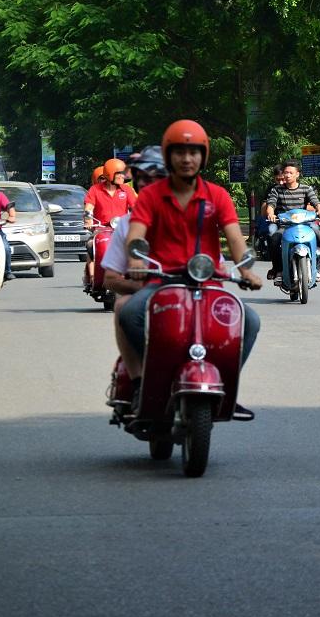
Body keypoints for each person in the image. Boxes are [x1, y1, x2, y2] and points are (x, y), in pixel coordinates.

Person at [120, 120, 262, 410]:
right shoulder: (151, 195)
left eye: (194, 152)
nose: (187, 159)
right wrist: (135, 258)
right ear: (169, 155)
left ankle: (225, 382)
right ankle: (152, 375)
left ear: (203, 156)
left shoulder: (217, 195)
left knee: (250, 321)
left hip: (208, 282)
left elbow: (234, 237)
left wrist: (245, 269)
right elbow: (136, 234)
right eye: (180, 152)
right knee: (130, 313)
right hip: (162, 280)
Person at [101, 146, 168, 381]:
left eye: (156, 178)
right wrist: (142, 287)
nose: (148, 185)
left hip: (190, 293)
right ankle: (138, 378)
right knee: (122, 307)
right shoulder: (128, 224)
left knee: (244, 317)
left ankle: (225, 382)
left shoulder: (192, 216)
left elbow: (215, 263)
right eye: (143, 179)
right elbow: (110, 278)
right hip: (146, 293)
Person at [266, 160, 320, 282]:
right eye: (285, 173)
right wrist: (271, 214)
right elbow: (270, 205)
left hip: (305, 224)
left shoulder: (306, 189)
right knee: (273, 238)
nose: (287, 175)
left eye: (291, 173)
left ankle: (318, 267)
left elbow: (316, 203)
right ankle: (278, 270)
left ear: (297, 174)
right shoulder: (276, 189)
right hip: (285, 225)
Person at [83, 157, 136, 290]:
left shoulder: (126, 190)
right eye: (120, 174)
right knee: (90, 245)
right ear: (110, 174)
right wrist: (88, 219)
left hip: (122, 229)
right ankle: (93, 277)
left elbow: (136, 207)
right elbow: (88, 207)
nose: (123, 177)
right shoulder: (95, 190)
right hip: (101, 229)